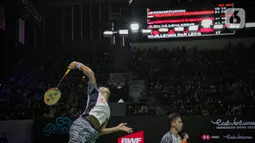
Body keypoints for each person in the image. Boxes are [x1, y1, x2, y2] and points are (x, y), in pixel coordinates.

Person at [68, 61, 133, 143]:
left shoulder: (108, 111)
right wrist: (78, 65)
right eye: (103, 87)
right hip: (83, 124)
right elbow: (90, 74)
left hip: (93, 132)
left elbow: (100, 131)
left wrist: (117, 128)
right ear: (100, 90)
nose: (106, 88)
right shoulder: (94, 93)